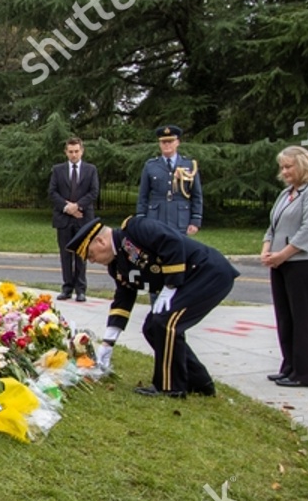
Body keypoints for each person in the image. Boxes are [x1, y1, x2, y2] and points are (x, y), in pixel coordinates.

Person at [73, 214, 239, 398]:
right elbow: (123, 298)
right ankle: (200, 382)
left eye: (90, 254)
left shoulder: (135, 228)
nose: (92, 261)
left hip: (207, 272)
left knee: (164, 322)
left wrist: (170, 285)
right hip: (189, 281)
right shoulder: (117, 266)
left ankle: (170, 387)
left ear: (100, 241)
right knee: (152, 327)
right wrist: (108, 342)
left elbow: (172, 241)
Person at [261, 145, 308, 388]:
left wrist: (283, 255)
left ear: (303, 165)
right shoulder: (287, 194)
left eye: (289, 166)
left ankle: (305, 373)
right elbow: (273, 226)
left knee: (303, 317)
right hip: (281, 262)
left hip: (306, 262)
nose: (285, 171)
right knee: (285, 316)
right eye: (282, 167)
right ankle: (289, 366)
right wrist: (267, 249)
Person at [48, 136, 99, 301]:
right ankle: (67, 287)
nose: (74, 155)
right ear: (66, 152)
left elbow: (93, 192)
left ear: (82, 151)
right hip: (63, 219)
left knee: (81, 254)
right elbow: (52, 192)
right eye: (70, 152)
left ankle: (81, 289)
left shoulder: (91, 170)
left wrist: (77, 206)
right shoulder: (58, 170)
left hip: (83, 218)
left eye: (76, 151)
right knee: (65, 254)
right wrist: (67, 208)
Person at [136, 124, 203, 235]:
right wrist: (141, 219)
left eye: (170, 141)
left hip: (180, 219)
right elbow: (143, 195)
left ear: (178, 142)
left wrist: (195, 220)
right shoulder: (150, 166)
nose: (167, 145)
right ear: (159, 144)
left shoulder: (189, 165)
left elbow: (196, 195)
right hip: (156, 218)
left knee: (179, 251)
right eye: (163, 142)